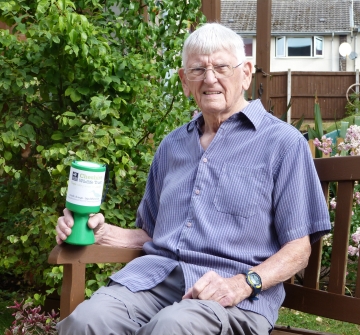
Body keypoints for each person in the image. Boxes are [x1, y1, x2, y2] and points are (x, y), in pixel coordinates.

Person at [55, 23, 331, 335]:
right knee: (86, 321)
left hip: (230, 298)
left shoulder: (283, 144)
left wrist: (244, 283)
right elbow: (152, 234)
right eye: (198, 69)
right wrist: (102, 232)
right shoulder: (172, 146)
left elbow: (299, 249)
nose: (210, 78)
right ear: (185, 81)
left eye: (221, 67)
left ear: (246, 73)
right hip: (154, 282)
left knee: (172, 328)